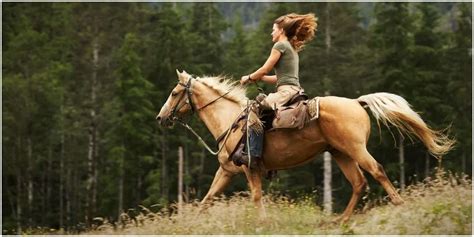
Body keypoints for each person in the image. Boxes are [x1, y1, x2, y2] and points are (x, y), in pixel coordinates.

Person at [232, 13, 318, 168]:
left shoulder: (280, 46)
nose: (272, 33)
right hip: (293, 90)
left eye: (273, 30)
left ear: (281, 31)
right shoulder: (291, 48)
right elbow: (279, 78)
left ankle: (253, 155)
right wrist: (261, 78)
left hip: (285, 93)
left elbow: (265, 69)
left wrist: (249, 77)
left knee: (252, 109)